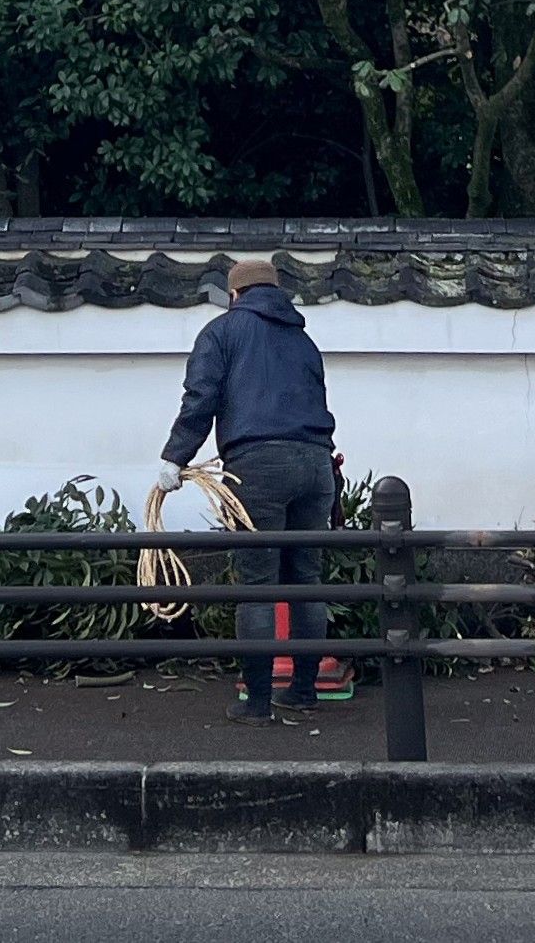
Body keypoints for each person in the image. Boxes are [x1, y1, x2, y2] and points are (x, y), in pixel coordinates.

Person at [156, 258, 338, 725]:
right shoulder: (304, 341)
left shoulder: (222, 332)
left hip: (258, 466)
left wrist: (175, 458)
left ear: (234, 295)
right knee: (307, 582)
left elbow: (201, 398)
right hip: (316, 463)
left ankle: (257, 702)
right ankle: (303, 692)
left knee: (257, 587)